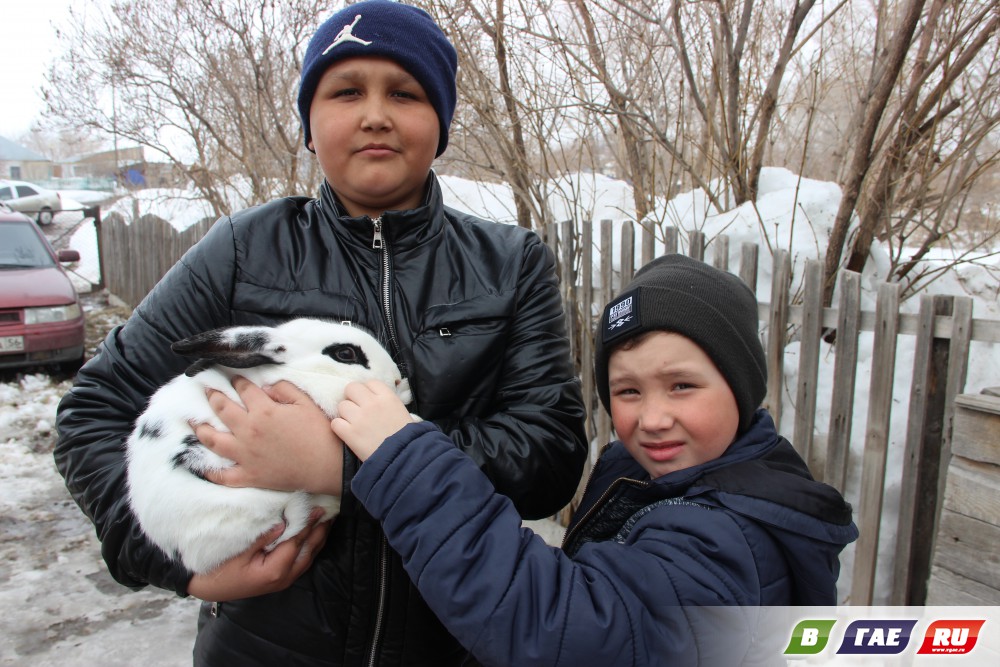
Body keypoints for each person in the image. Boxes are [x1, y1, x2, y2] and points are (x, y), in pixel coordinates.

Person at [53, 1, 588, 665]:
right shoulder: (243, 253)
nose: (375, 114)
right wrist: (180, 566)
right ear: (310, 124)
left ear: (441, 123)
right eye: (345, 91)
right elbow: (92, 412)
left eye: (405, 91)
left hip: (456, 645)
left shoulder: (510, 265)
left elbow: (551, 456)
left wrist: (345, 467)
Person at [331, 253, 860, 666]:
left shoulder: (733, 536)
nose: (652, 418)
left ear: (741, 389)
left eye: (681, 386)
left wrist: (408, 466)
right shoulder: (647, 472)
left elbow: (565, 629)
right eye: (628, 391)